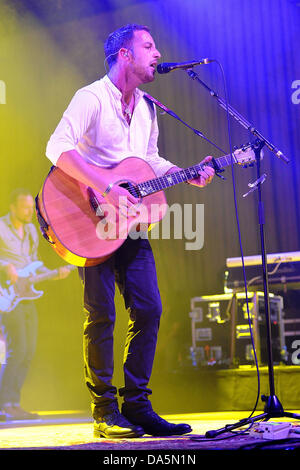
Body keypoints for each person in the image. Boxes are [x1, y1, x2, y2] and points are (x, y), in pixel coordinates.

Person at [45, 24, 215, 438]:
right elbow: (57, 146)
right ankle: (104, 410)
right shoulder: (91, 98)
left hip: (130, 224)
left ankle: (137, 406)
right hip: (90, 221)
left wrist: (182, 173)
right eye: (149, 45)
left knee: (149, 309)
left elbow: (148, 160)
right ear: (124, 54)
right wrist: (105, 186)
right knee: (101, 314)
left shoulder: (147, 107)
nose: (158, 52)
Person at [0, 188, 71, 420]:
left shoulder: (31, 230)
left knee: (28, 350)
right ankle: (5, 403)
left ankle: (13, 402)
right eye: (25, 207)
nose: (29, 212)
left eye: (31, 207)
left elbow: (34, 262)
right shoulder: (1, 226)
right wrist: (4, 266)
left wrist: (53, 272)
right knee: (16, 348)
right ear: (13, 207)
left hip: (27, 294)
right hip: (8, 295)